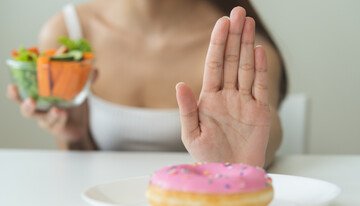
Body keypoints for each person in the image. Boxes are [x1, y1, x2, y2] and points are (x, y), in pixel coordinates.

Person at [7, 0, 287, 168]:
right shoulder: (66, 31)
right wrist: (75, 137)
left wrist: (239, 162)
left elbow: (265, 133)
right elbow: (75, 177)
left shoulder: (241, 47)